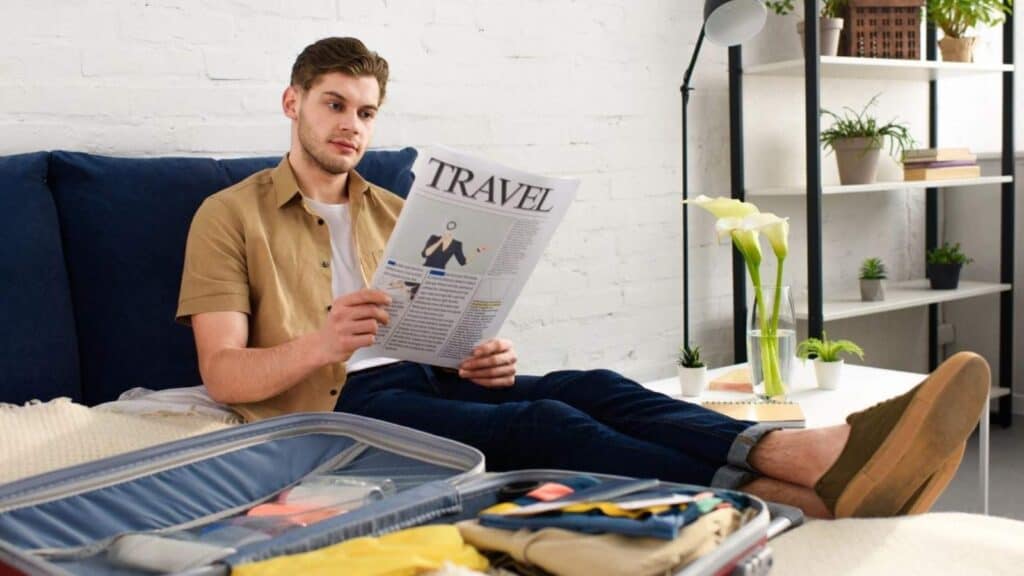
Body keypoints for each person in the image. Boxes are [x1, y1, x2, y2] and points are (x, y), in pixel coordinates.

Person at [176, 37, 989, 519]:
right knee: (545, 420)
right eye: (334, 105)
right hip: (332, 409)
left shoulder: (395, 208)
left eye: (366, 111)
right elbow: (223, 375)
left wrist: (477, 355)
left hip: (424, 378)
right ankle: (781, 491)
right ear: (292, 103)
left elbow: (437, 321)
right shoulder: (229, 216)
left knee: (595, 385)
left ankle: (794, 451)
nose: (352, 126)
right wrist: (323, 342)